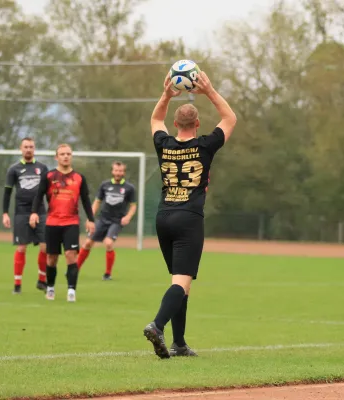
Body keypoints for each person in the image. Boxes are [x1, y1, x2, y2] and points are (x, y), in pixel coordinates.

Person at [143, 71, 236, 358]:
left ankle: (179, 343)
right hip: (188, 219)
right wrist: (209, 90)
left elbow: (155, 120)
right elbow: (230, 119)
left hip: (163, 217)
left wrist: (166, 95)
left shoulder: (165, 144)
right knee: (181, 282)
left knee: (179, 282)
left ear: (175, 124)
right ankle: (157, 326)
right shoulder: (205, 145)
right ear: (197, 124)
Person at [30, 144, 95, 303]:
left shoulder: (79, 178)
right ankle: (50, 288)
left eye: (68, 154)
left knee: (70, 255)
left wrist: (91, 219)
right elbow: (38, 196)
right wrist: (33, 213)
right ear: (56, 157)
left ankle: (71, 290)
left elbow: (85, 200)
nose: (65, 156)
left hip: (71, 222)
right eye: (62, 154)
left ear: (71, 156)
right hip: (52, 222)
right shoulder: (48, 176)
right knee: (51, 258)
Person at [2, 137, 49, 294]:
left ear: (34, 149)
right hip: (21, 213)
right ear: (21, 149)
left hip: (40, 212)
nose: (28, 149)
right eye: (26, 147)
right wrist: (5, 213)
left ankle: (42, 280)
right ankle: (17, 284)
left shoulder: (42, 168)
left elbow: (48, 192)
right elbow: (7, 193)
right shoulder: (14, 169)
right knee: (22, 248)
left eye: (31, 147)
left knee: (45, 246)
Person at [77, 161, 137, 280]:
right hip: (102, 219)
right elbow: (97, 202)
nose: (118, 173)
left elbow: (133, 205)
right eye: (116, 170)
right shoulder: (105, 185)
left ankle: (107, 274)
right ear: (112, 171)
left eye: (120, 171)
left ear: (123, 172)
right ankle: (75, 269)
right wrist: (90, 218)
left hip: (117, 221)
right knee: (88, 243)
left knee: (108, 243)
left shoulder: (129, 188)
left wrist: (128, 217)